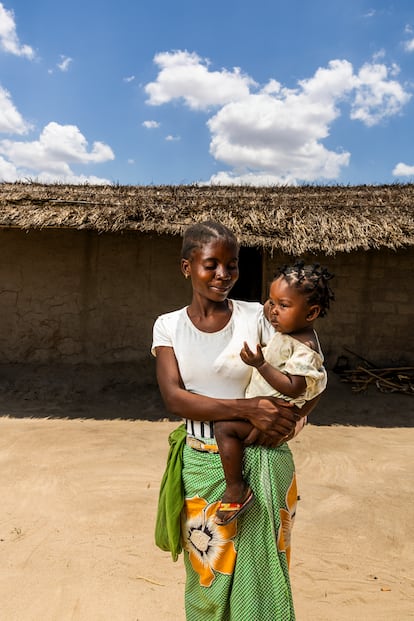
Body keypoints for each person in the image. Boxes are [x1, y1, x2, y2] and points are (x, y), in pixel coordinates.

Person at [152, 221, 320, 621]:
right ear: (186, 267)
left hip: (263, 456)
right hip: (201, 462)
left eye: (232, 265)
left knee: (263, 575)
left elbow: (308, 371)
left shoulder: (257, 317)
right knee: (208, 572)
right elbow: (176, 398)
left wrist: (293, 420)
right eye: (212, 265)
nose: (223, 275)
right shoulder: (169, 326)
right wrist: (247, 409)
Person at [214, 262, 334, 527]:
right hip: (266, 412)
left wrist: (260, 364)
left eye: (283, 305)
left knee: (224, 428)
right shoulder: (289, 334)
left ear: (311, 312)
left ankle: (235, 488)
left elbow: (295, 387)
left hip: (272, 414)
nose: (273, 312)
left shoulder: (305, 347)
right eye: (271, 302)